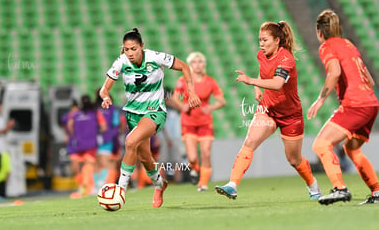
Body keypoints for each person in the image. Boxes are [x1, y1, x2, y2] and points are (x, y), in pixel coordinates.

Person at [215, 21, 321, 200]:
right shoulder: (261, 55)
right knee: (249, 142)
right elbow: (263, 71)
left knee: (294, 160)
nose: (261, 44)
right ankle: (232, 185)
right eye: (259, 40)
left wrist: (251, 82)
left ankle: (313, 185)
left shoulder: (286, 58)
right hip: (268, 109)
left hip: (290, 115)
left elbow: (278, 83)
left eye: (265, 40)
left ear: (277, 40)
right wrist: (257, 87)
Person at [99, 28, 201, 208]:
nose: (130, 53)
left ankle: (120, 190)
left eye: (134, 49)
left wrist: (191, 92)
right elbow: (104, 89)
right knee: (145, 157)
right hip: (133, 114)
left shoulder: (155, 57)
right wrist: (106, 96)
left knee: (130, 142)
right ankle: (160, 185)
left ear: (142, 47)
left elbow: (185, 67)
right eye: (126, 49)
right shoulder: (121, 62)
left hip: (155, 111)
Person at [307, 9, 379, 205]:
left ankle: (340, 189)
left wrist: (320, 99)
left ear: (319, 32)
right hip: (371, 103)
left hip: (356, 104)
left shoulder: (327, 47)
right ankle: (377, 193)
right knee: (352, 148)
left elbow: (335, 71)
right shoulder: (349, 45)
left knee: (321, 145)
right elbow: (370, 81)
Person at [173, 52, 226, 191]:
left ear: (204, 64)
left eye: (200, 62)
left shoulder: (210, 81)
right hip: (188, 122)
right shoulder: (183, 80)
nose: (197, 65)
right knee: (192, 158)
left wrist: (211, 107)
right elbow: (174, 98)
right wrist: (181, 106)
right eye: (194, 62)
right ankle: (194, 168)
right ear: (190, 65)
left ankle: (202, 184)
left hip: (205, 122)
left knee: (206, 153)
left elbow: (222, 101)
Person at [67, 95, 107, 198]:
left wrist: (77, 135)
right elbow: (103, 127)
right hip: (85, 144)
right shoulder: (90, 113)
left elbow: (70, 126)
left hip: (84, 144)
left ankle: (86, 187)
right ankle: (85, 186)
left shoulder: (79, 114)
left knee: (85, 165)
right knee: (84, 166)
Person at [94, 90, 121, 190]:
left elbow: (115, 126)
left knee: (104, 162)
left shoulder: (108, 109)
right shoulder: (110, 109)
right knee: (100, 162)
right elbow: (116, 125)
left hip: (104, 140)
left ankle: (108, 185)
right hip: (104, 140)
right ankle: (100, 185)